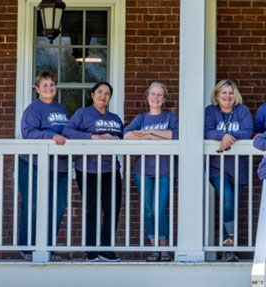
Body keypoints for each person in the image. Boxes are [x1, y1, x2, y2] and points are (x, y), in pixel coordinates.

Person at [62, 81, 124, 262]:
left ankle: (106, 250)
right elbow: (67, 130)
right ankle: (91, 251)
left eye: (107, 93)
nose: (103, 96)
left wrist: (115, 139)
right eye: (99, 92)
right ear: (92, 95)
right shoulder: (83, 114)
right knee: (92, 210)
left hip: (111, 169)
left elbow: (123, 137)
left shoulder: (115, 118)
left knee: (112, 209)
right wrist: (92, 137)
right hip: (88, 169)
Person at [123, 82, 179, 262]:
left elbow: (175, 135)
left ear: (164, 99)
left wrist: (150, 133)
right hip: (143, 171)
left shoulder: (170, 117)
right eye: (153, 94)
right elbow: (126, 135)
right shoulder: (141, 118)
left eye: (159, 94)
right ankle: (155, 249)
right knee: (148, 210)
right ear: (147, 97)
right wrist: (155, 136)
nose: (156, 97)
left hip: (165, 170)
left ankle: (165, 250)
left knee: (159, 209)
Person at [17, 71, 69, 262]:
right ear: (37, 89)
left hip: (59, 166)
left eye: (52, 84)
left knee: (57, 207)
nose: (49, 88)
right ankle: (28, 248)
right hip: (34, 164)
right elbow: (28, 132)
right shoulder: (33, 109)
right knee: (33, 204)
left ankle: (47, 248)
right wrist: (51, 136)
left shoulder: (61, 109)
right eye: (45, 85)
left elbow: (68, 132)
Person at [204, 79, 253, 261]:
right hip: (217, 167)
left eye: (230, 93)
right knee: (227, 198)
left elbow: (247, 132)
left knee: (232, 207)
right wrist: (222, 135)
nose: (227, 96)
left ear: (235, 95)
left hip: (239, 168)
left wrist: (228, 136)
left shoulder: (243, 111)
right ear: (217, 95)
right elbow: (207, 131)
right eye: (223, 92)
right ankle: (230, 239)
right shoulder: (210, 111)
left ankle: (228, 249)